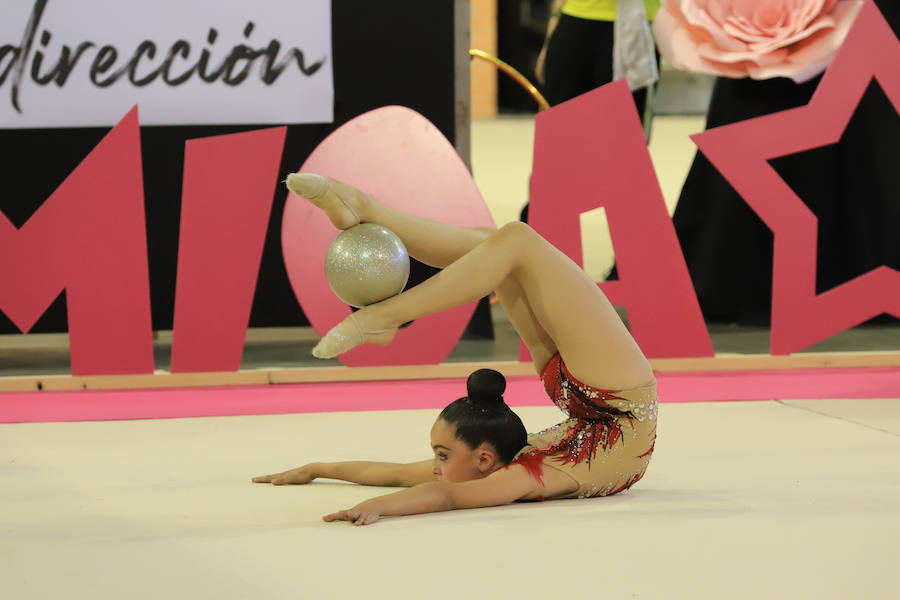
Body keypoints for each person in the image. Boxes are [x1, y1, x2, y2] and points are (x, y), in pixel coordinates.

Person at [252, 174, 658, 526]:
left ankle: (362, 210)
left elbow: (396, 476)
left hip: (578, 398)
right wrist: (375, 506)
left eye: (440, 456)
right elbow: (444, 496)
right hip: (620, 399)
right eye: (441, 456)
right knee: (514, 242)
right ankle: (383, 308)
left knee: (500, 247)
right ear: (484, 459)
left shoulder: (492, 467)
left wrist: (319, 469)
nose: (433, 468)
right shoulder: (516, 476)